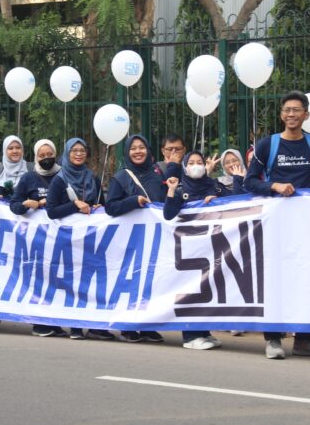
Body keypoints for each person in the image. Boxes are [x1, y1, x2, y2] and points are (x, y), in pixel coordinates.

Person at [244, 91, 310, 360]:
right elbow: (249, 182)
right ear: (281, 115)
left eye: (297, 110)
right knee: (275, 280)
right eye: (287, 110)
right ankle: (273, 339)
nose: (291, 114)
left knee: (305, 279)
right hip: (275, 226)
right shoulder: (267, 145)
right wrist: (274, 186)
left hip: (307, 226)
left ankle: (303, 340)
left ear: (306, 115)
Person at [163, 150, 244, 350]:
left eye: (199, 161)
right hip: (190, 249)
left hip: (212, 248)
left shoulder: (214, 185)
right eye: (191, 162)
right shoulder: (181, 188)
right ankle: (190, 336)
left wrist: (233, 184)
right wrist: (171, 191)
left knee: (209, 289)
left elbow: (239, 202)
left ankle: (204, 332)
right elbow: (168, 213)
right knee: (192, 290)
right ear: (185, 167)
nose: (196, 165)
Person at [46, 137, 112, 341]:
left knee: (91, 282)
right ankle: (74, 325)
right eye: (74, 150)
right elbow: (51, 210)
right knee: (72, 282)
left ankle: (94, 325)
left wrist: (100, 207)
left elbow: (100, 203)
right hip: (68, 240)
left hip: (90, 240)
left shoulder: (92, 177)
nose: (78, 154)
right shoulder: (60, 179)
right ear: (66, 153)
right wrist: (74, 206)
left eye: (82, 150)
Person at [105, 134, 167, 344]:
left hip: (156, 239)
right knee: (132, 282)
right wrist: (133, 201)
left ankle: (147, 325)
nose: (138, 151)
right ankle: (128, 326)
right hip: (131, 241)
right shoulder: (121, 177)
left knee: (153, 282)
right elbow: (111, 207)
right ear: (127, 153)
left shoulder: (159, 174)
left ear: (149, 150)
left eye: (142, 147)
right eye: (133, 148)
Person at [9, 139, 68, 337]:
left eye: (49, 155)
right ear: (35, 157)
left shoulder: (64, 175)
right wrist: (30, 204)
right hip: (37, 241)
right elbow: (14, 205)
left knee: (59, 280)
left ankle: (56, 321)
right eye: (41, 156)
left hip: (61, 239)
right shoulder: (28, 178)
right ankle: (40, 323)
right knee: (41, 279)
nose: (46, 159)